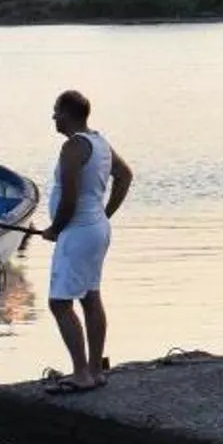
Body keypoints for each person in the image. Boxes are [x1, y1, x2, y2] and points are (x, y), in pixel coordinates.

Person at [37, 90, 131, 391]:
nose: (53, 117)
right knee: (90, 297)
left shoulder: (74, 147)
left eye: (56, 111)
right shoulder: (99, 141)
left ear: (68, 113)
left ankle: (81, 374)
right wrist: (105, 214)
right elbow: (125, 175)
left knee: (59, 303)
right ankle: (94, 369)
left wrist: (55, 228)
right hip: (95, 229)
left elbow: (69, 197)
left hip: (78, 232)